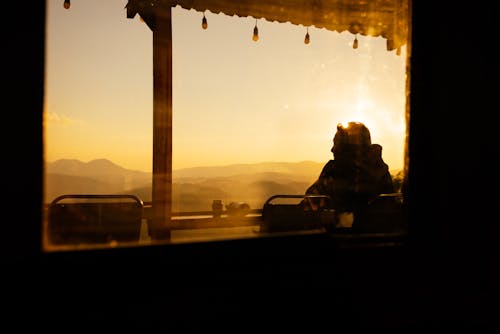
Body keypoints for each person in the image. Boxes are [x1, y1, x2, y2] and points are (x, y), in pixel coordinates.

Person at [305, 122, 396, 229]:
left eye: (336, 144)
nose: (332, 149)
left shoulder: (334, 172)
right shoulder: (379, 171)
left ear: (348, 148)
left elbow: (309, 206)